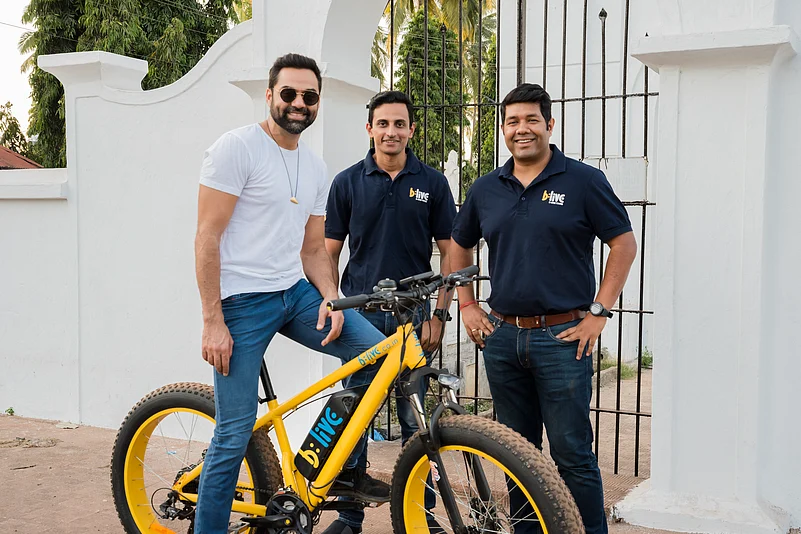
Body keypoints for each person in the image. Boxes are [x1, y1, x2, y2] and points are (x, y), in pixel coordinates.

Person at [194, 53, 389, 534]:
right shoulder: (236, 148)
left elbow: (313, 249)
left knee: (379, 356)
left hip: (294, 293)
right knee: (234, 432)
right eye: (289, 93)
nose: (299, 103)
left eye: (309, 96)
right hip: (241, 304)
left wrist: (329, 295)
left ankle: (326, 463)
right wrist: (212, 321)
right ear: (270, 95)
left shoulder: (314, 166)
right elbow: (206, 238)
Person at [449, 83, 638, 534]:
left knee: (572, 453)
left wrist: (599, 312)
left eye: (532, 120)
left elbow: (623, 244)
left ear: (549, 125)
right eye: (512, 121)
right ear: (503, 128)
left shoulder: (583, 181)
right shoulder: (486, 188)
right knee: (518, 454)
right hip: (502, 337)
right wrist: (469, 303)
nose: (522, 129)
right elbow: (459, 245)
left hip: (563, 339)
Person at [323, 90, 457, 534]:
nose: (391, 132)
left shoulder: (433, 183)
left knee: (416, 420)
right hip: (361, 315)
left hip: (414, 318)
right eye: (383, 124)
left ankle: (424, 516)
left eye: (399, 124)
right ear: (370, 129)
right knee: (352, 417)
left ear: (411, 130)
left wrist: (440, 313)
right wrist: (332, 302)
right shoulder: (347, 182)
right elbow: (328, 252)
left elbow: (449, 254)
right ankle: (348, 516)